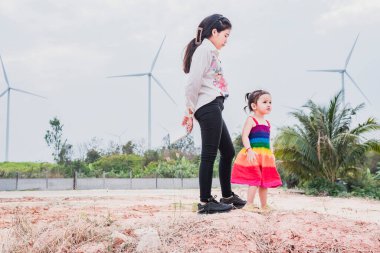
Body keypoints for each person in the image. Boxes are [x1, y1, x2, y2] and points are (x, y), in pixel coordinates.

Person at [182, 14, 246, 214]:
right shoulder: (204, 50)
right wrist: (190, 111)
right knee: (209, 155)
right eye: (225, 35)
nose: (227, 40)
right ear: (214, 32)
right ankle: (205, 201)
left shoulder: (212, 52)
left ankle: (227, 195)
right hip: (207, 106)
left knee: (228, 151)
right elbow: (192, 82)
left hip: (214, 105)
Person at [231, 90, 282, 212]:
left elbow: (268, 141)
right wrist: (249, 150)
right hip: (253, 154)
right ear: (254, 106)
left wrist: (272, 154)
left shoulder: (267, 123)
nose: (268, 104)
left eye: (270, 102)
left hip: (265, 156)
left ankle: (264, 206)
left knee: (264, 181)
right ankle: (249, 204)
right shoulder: (251, 119)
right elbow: (244, 136)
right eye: (264, 102)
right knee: (255, 179)